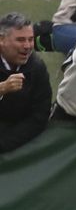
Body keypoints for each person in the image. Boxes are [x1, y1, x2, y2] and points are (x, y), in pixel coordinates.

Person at [0, 13, 49, 154]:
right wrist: (2, 89)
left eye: (31, 39)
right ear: (2, 40)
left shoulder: (37, 67)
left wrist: (4, 144)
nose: (27, 46)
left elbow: (40, 115)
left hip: (17, 139)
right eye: (20, 40)